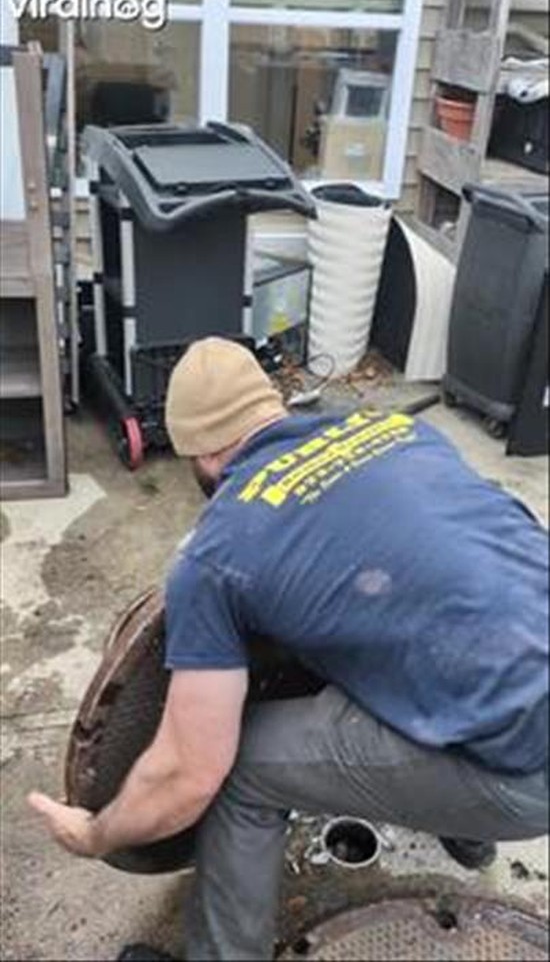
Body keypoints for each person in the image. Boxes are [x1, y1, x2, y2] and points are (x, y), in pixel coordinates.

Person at [29, 338, 549, 962]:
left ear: (198, 453)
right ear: (270, 407)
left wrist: (97, 832)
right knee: (398, 625)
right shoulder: (399, 433)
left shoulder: (217, 554)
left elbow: (188, 774)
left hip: (524, 773)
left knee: (240, 769)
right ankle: (467, 831)